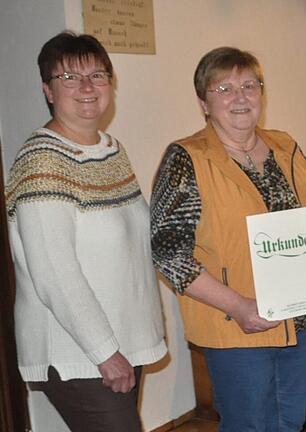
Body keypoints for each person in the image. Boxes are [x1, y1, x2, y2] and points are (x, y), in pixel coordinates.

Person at [150, 47, 306, 432]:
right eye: (224, 88)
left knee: (289, 422)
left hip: (296, 319)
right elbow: (168, 252)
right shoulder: (187, 158)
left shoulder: (285, 146)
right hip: (236, 324)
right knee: (250, 425)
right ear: (203, 101)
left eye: (249, 85)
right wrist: (237, 305)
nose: (240, 97)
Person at [5, 31, 167, 431]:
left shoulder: (110, 148)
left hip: (120, 342)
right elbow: (55, 274)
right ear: (47, 90)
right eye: (70, 78)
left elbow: (135, 241)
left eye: (98, 75)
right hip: (81, 353)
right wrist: (104, 351)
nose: (87, 87)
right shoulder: (42, 160)